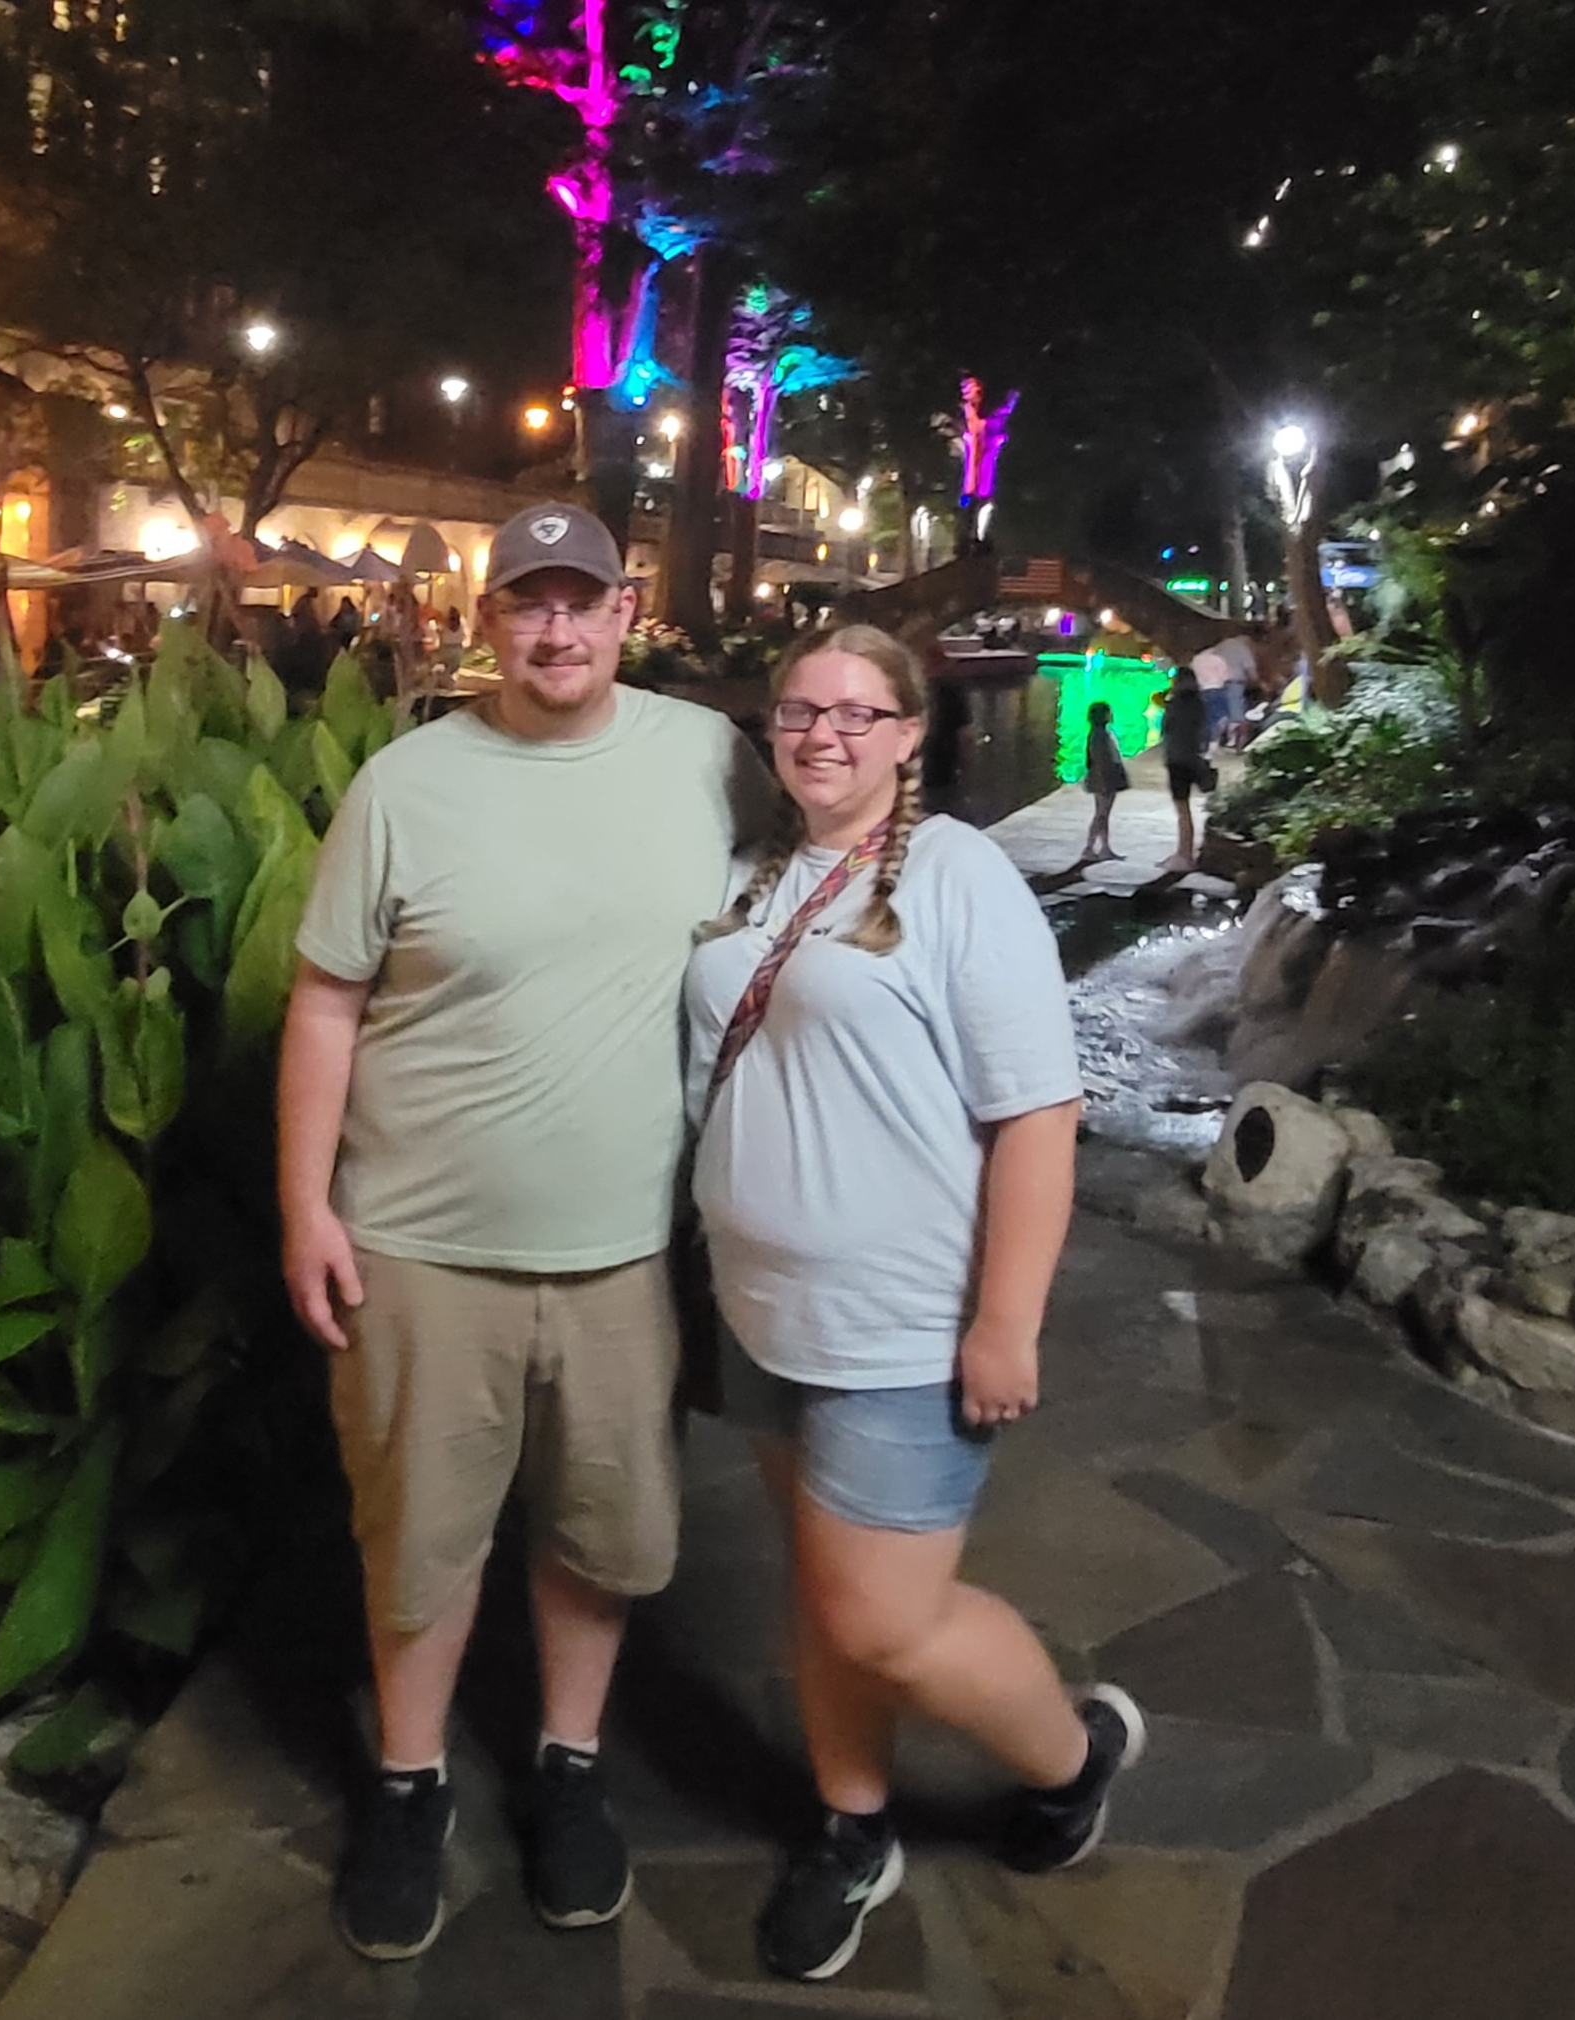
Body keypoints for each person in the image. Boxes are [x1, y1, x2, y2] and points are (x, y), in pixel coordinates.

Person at [280, 503, 770, 1964]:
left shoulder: (707, 760)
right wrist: (305, 1204)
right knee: (419, 1544)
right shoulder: (404, 784)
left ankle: (567, 1766)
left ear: (630, 613)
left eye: (583, 602)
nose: (556, 629)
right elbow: (323, 1000)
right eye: (525, 604)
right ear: (485, 622)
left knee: (596, 1538)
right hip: (419, 1249)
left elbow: (820, 880)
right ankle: (411, 1784)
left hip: (623, 1252)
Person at [684, 626, 1147, 1985]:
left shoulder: (959, 879)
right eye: (797, 712)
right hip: (759, 1305)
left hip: (900, 1321)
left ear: (907, 735)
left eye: (855, 712)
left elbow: (1039, 1115)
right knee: (828, 1598)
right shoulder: (755, 876)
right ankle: (850, 1821)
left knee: (887, 1617)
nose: (821, 733)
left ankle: (1074, 1756)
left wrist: (1005, 1319)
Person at [1159, 665, 1208, 874]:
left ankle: (1184, 854)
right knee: (1184, 809)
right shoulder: (1198, 704)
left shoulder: (1175, 704)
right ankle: (1183, 852)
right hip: (1192, 757)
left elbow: (1166, 728)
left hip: (1177, 759)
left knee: (1182, 810)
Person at [1081, 699, 1126, 860]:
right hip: (1105, 779)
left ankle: (1102, 847)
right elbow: (1101, 760)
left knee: (1102, 814)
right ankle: (1091, 847)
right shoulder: (1100, 736)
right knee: (1102, 814)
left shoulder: (1097, 734)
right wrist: (1103, 782)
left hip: (1104, 777)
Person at [1189, 641, 1231, 751]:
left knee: (1206, 717)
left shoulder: (1195, 660)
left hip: (1202, 690)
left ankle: (1205, 742)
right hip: (1217, 689)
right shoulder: (1218, 659)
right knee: (1220, 716)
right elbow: (1225, 676)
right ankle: (1214, 742)